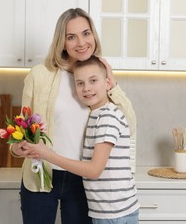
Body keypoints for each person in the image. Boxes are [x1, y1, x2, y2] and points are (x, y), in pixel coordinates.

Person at [9, 8, 137, 224]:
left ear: (94, 35)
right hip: (41, 177)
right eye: (71, 37)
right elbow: (21, 129)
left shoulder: (97, 75)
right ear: (62, 41)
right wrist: (16, 148)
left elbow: (129, 126)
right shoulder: (39, 75)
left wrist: (112, 82)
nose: (81, 42)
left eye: (86, 33)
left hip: (84, 181)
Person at [24, 56, 139, 223]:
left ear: (108, 83)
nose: (86, 88)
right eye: (80, 83)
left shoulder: (107, 117)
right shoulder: (96, 115)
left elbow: (94, 170)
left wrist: (47, 154)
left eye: (93, 81)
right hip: (108, 211)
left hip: (115, 214)